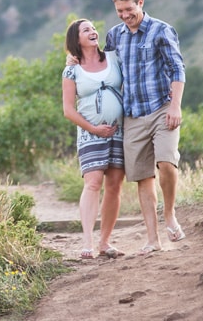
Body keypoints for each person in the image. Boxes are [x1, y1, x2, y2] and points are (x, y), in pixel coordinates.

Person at [105, 0, 186, 255]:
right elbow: (103, 67)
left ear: (140, 3)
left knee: (166, 163)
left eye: (129, 9)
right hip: (133, 115)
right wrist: (73, 60)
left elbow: (177, 69)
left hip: (162, 106)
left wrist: (175, 106)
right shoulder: (115, 35)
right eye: (119, 11)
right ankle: (153, 240)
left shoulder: (161, 30)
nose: (125, 15)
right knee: (142, 177)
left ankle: (170, 215)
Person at [62, 18, 125, 260]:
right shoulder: (71, 70)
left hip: (119, 131)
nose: (93, 31)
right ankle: (87, 241)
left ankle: (105, 242)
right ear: (76, 39)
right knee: (93, 182)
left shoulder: (113, 58)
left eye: (93, 28)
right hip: (90, 132)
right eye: (86, 30)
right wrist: (94, 129)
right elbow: (68, 110)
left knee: (114, 184)